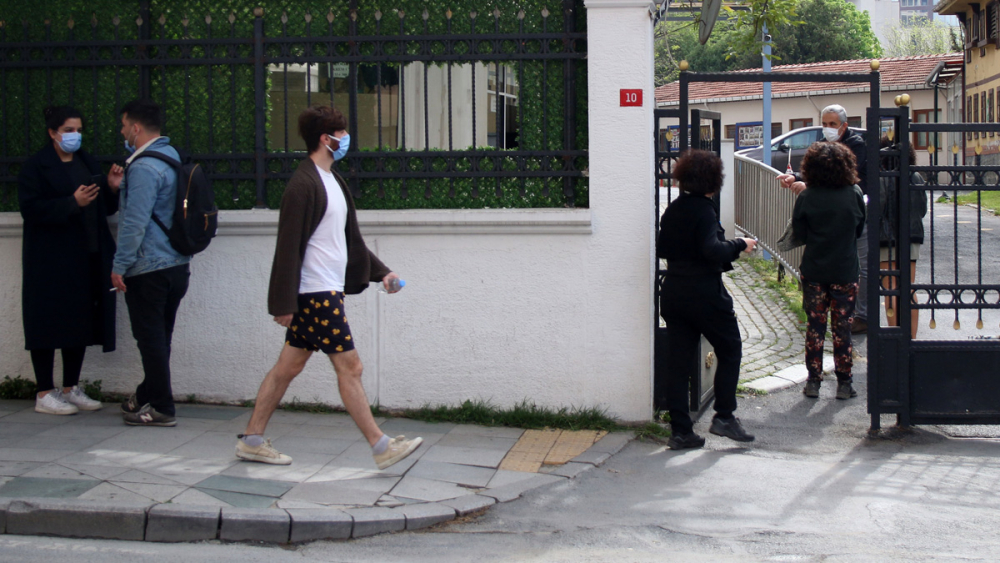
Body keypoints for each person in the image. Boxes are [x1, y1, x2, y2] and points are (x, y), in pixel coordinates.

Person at [234, 105, 422, 469]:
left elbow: (348, 241)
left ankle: (252, 440)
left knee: (286, 368)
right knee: (350, 367)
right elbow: (288, 247)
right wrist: (282, 303)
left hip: (324, 291)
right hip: (316, 294)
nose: (347, 139)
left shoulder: (333, 182)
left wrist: (381, 272)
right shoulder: (302, 185)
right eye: (343, 133)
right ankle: (381, 446)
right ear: (327, 138)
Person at [17, 106, 123, 415]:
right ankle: (44, 391)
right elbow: (31, 210)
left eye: (78, 130)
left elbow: (102, 207)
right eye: (68, 130)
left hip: (86, 254)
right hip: (50, 259)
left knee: (78, 321)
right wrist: (70, 203)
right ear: (53, 133)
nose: (74, 136)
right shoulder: (36, 167)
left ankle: (70, 387)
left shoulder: (85, 161)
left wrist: (111, 189)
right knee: (47, 321)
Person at [656, 149, 757, 450]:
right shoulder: (704, 209)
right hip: (704, 293)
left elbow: (663, 247)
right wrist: (740, 243)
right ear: (714, 181)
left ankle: (680, 430)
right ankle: (724, 416)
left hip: (674, 291)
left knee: (679, 362)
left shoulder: (674, 209)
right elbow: (712, 250)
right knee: (730, 348)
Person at [112, 99, 192, 427]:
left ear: (136, 127)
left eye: (123, 125)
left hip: (149, 267)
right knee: (160, 337)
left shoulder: (144, 166)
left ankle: (161, 407)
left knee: (150, 339)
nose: (122, 131)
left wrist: (120, 265)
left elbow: (135, 222)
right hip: (176, 264)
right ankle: (146, 393)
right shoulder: (171, 157)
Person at [778, 104, 870, 334]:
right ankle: (830, 359)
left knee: (863, 265)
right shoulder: (824, 146)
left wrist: (808, 186)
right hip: (826, 260)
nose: (827, 129)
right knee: (822, 327)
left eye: (832, 124)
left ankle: (863, 315)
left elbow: (846, 178)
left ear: (844, 126)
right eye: (825, 124)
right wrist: (794, 177)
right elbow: (819, 172)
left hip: (849, 216)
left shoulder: (856, 145)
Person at [791, 142, 866, 400]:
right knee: (842, 327)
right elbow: (859, 229)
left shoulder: (807, 196)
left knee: (815, 327)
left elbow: (799, 234)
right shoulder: (854, 193)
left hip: (814, 269)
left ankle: (813, 381)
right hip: (845, 269)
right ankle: (845, 383)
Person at [878, 137, 927, 339]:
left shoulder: (882, 177)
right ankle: (911, 339)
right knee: (908, 289)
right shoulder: (916, 176)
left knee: (891, 289)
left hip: (886, 240)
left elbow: (878, 208)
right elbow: (922, 209)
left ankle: (895, 338)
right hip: (912, 237)